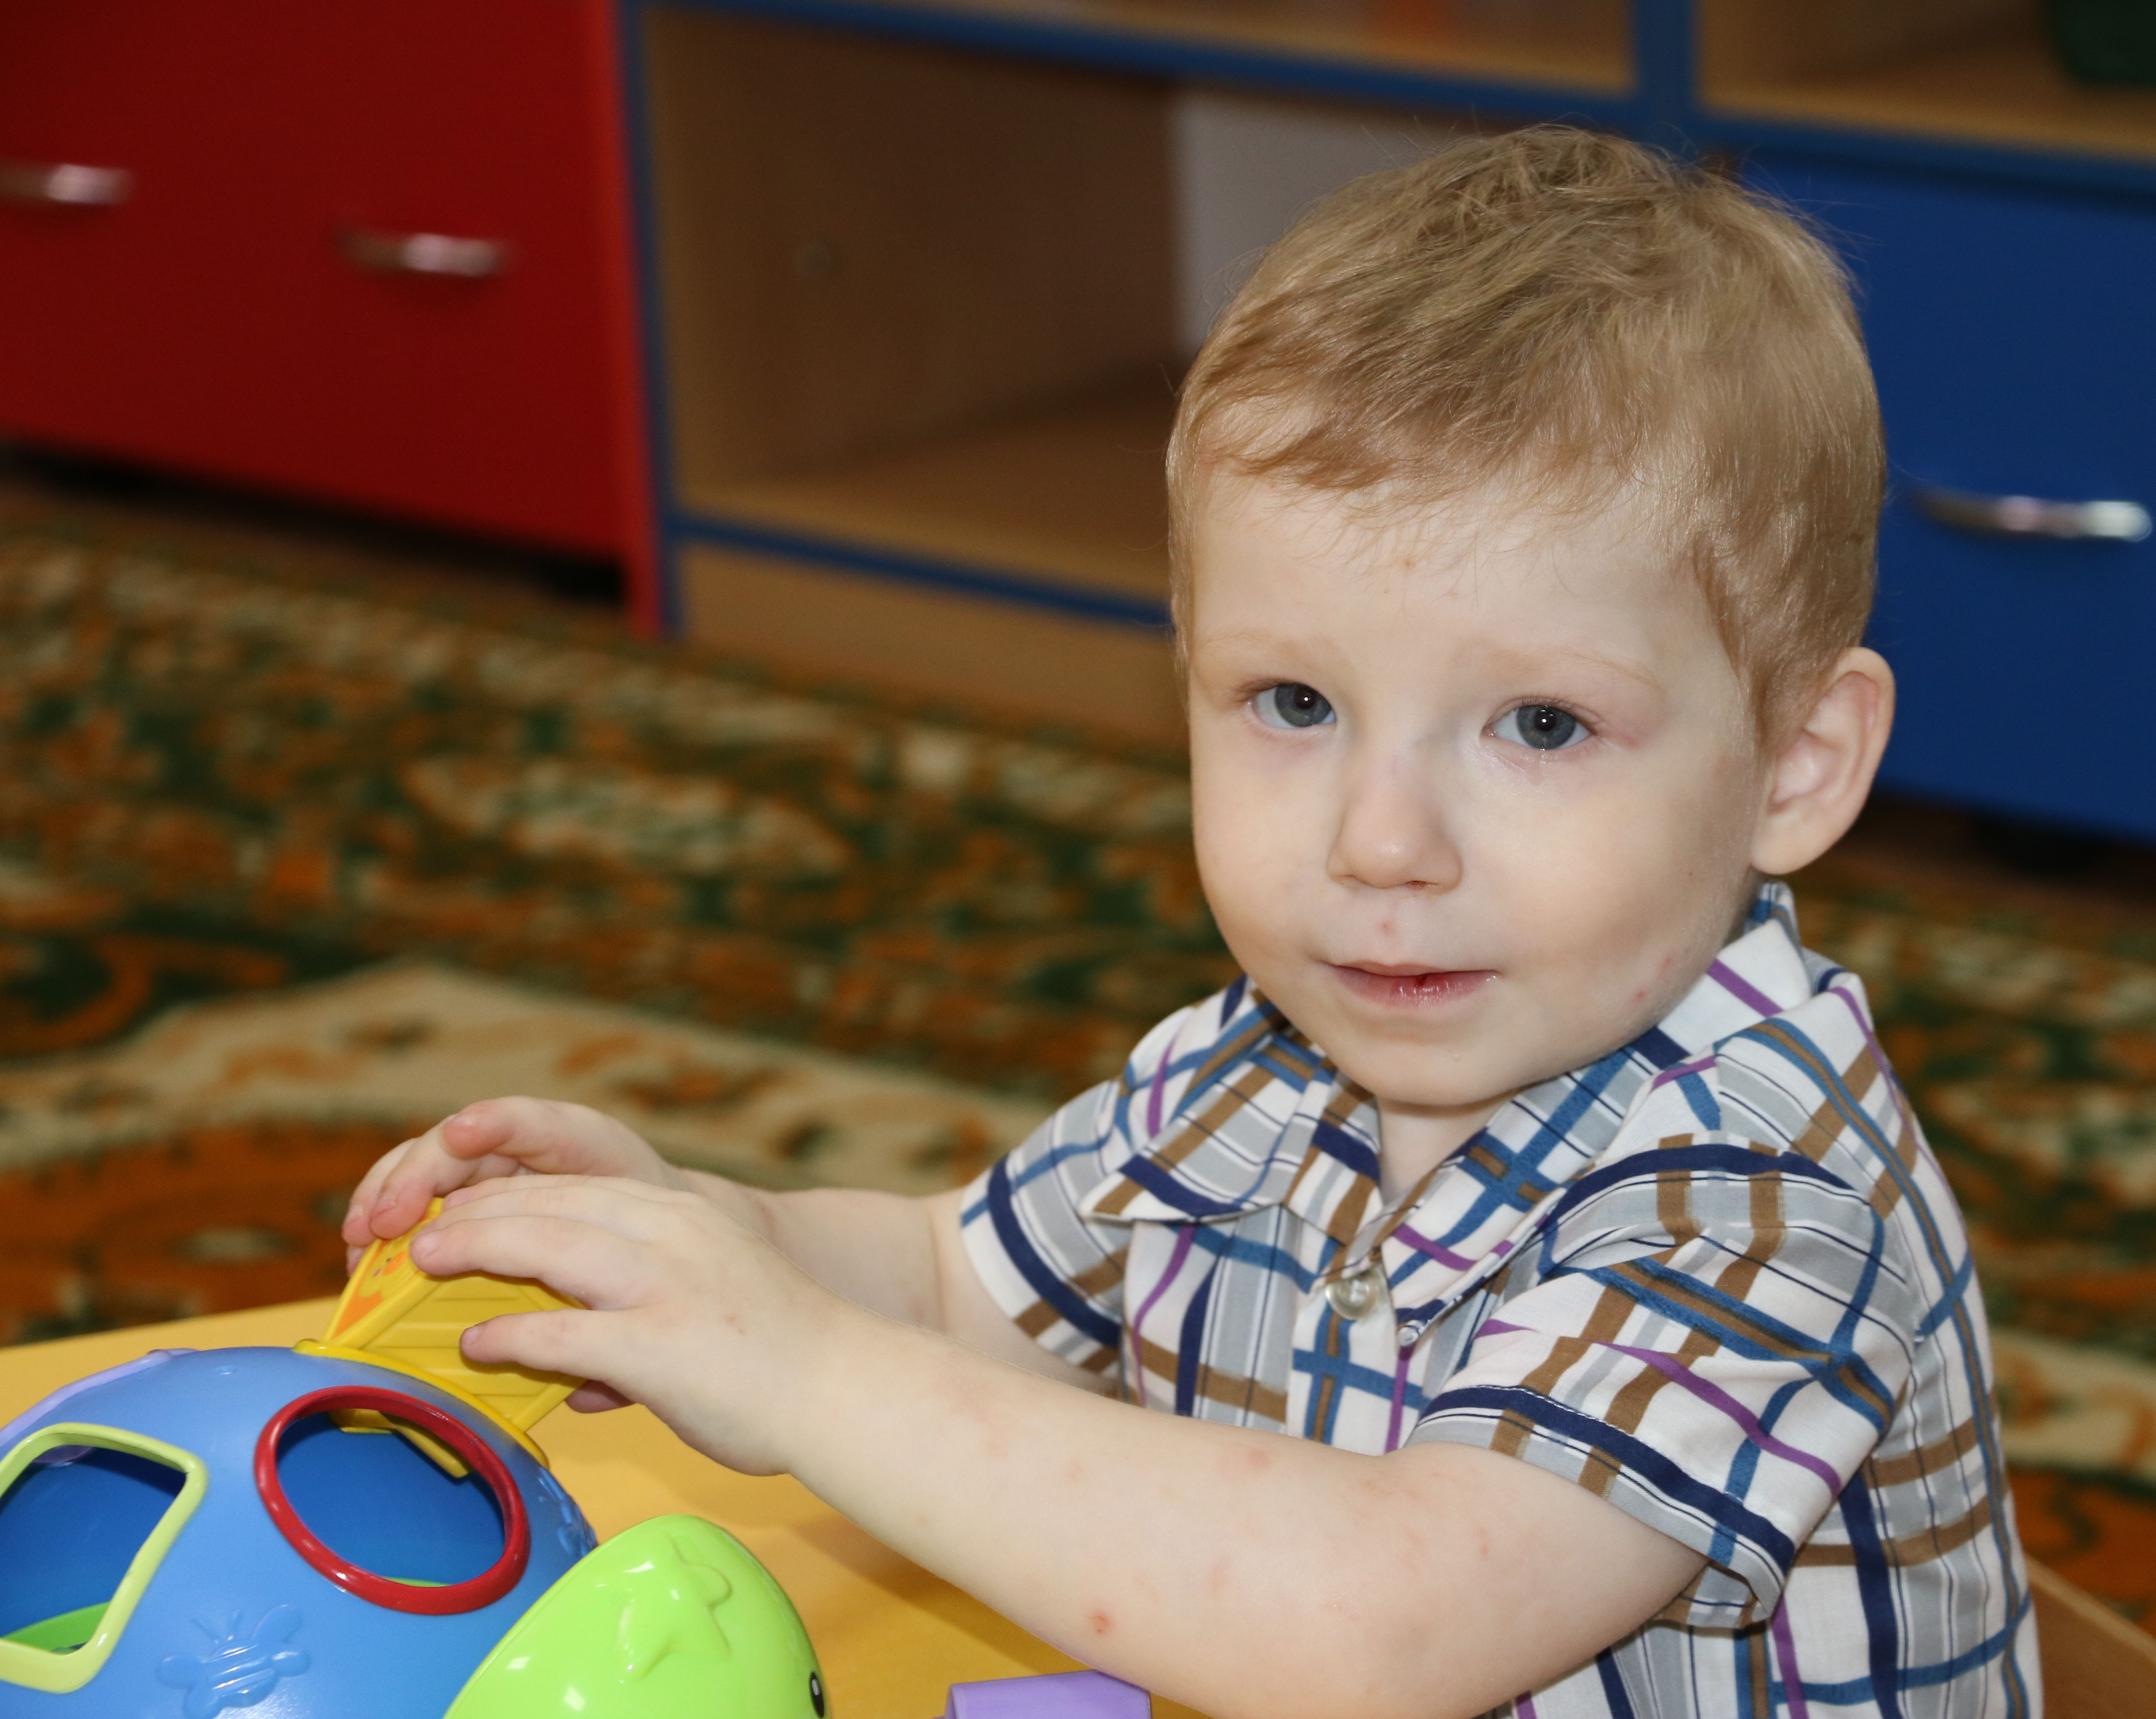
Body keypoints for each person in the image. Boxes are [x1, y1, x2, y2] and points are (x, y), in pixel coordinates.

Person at [343, 126, 2038, 1719]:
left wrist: (799, 1375)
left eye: (1540, 725)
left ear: (1797, 766)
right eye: (1295, 702)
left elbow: (1377, 1627)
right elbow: (950, 1281)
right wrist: (691, 1235)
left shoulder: (1763, 1203)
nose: (1379, 843)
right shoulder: (1268, 1064)